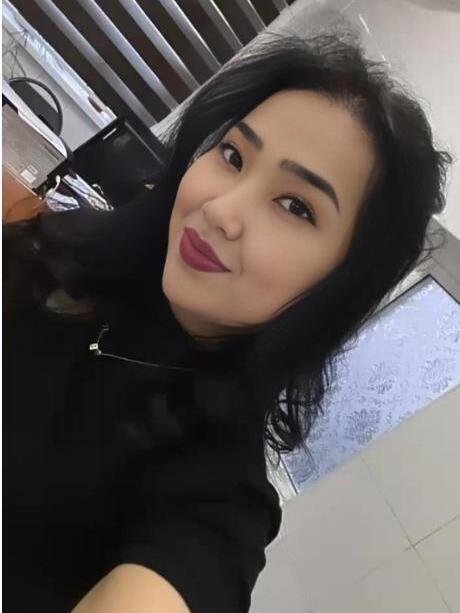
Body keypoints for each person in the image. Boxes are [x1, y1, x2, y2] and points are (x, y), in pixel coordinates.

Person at [3, 31, 451, 613]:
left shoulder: (215, 493)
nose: (221, 210)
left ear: (340, 283)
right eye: (234, 156)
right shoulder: (59, 250)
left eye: (296, 206)